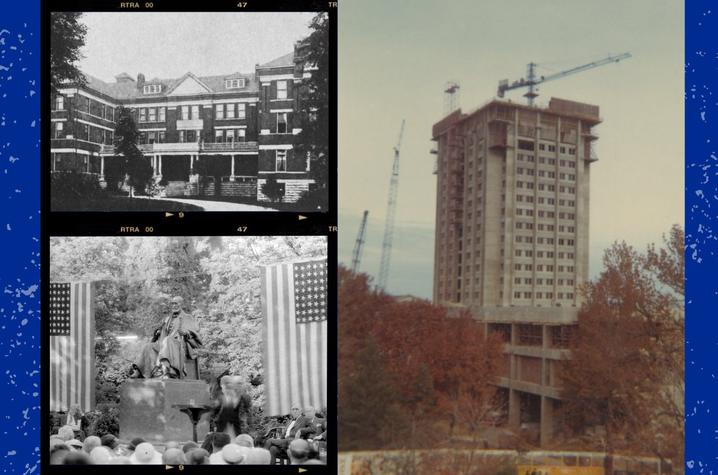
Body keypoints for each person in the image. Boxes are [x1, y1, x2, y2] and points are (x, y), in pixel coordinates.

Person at [134, 296, 202, 380]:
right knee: (148, 346)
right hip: (165, 345)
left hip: (179, 345)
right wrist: (158, 332)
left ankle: (167, 370)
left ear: (182, 304)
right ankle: (140, 370)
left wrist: (186, 333)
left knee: (168, 340)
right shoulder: (167, 319)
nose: (174, 306)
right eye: (172, 303)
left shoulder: (188, 317)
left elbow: (195, 332)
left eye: (176, 303)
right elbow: (162, 333)